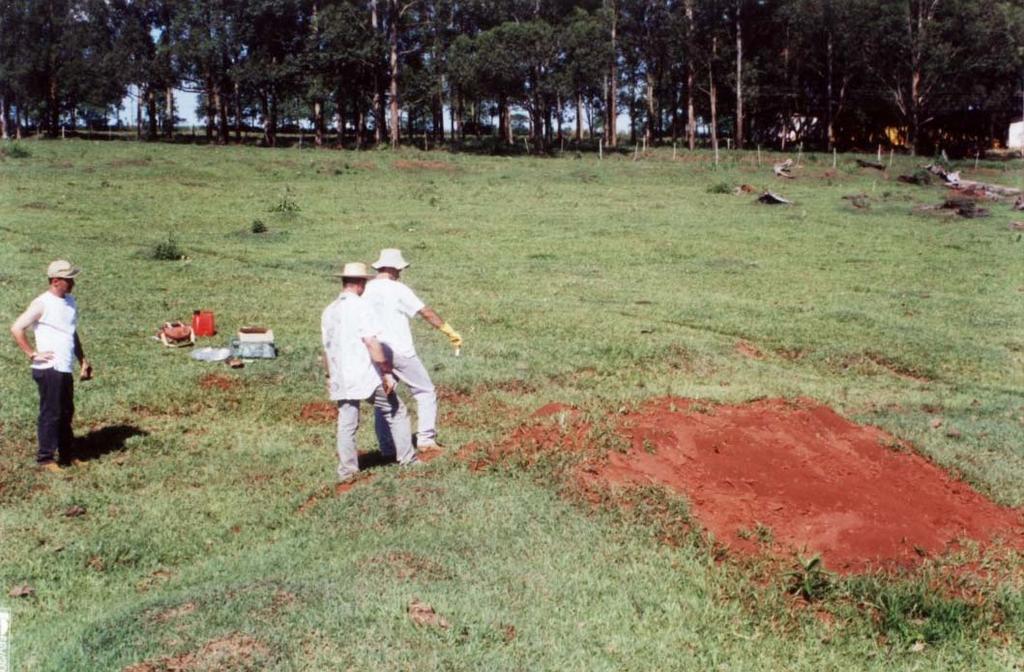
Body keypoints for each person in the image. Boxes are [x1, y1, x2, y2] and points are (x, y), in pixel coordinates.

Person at [321, 261, 417, 482]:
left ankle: (347, 471)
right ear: (360, 284)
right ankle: (407, 459)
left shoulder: (329, 310)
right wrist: (386, 372)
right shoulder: (361, 307)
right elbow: (372, 342)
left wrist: (329, 376)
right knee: (396, 410)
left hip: (340, 375)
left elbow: (326, 348)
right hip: (363, 374)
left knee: (347, 422)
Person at [363, 248, 462, 451]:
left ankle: (387, 447)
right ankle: (426, 439)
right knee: (425, 391)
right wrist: (448, 330)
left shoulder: (366, 289)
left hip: (373, 350)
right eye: (399, 269)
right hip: (399, 350)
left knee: (385, 396)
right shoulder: (398, 289)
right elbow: (424, 312)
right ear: (393, 269)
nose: (400, 273)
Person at [10, 260, 93, 472]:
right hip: (48, 368)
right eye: (69, 279)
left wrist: (82, 359)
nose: (73, 283)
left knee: (66, 411)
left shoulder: (70, 301)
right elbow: (17, 328)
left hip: (65, 366)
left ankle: (67, 454)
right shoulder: (42, 303)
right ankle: (45, 458)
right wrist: (32, 353)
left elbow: (71, 332)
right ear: (56, 281)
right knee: (51, 412)